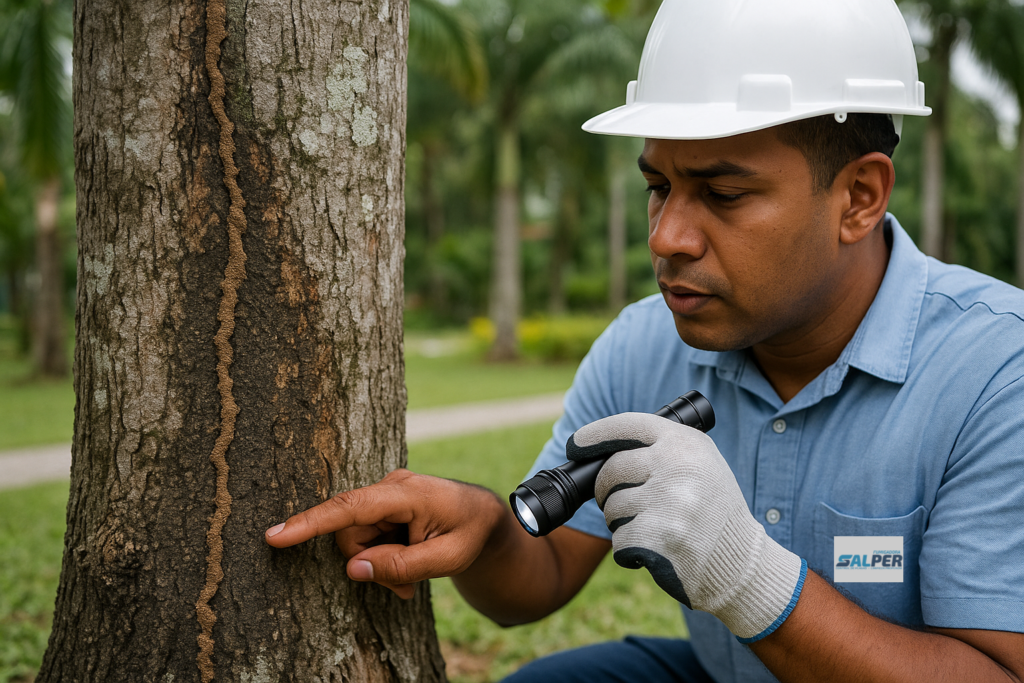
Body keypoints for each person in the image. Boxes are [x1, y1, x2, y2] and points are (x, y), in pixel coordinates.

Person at [265, 0, 1024, 680]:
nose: (666, 237)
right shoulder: (647, 343)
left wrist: (745, 574)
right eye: (659, 185)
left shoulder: (994, 371)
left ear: (858, 197)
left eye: (724, 194)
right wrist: (490, 529)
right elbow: (542, 574)